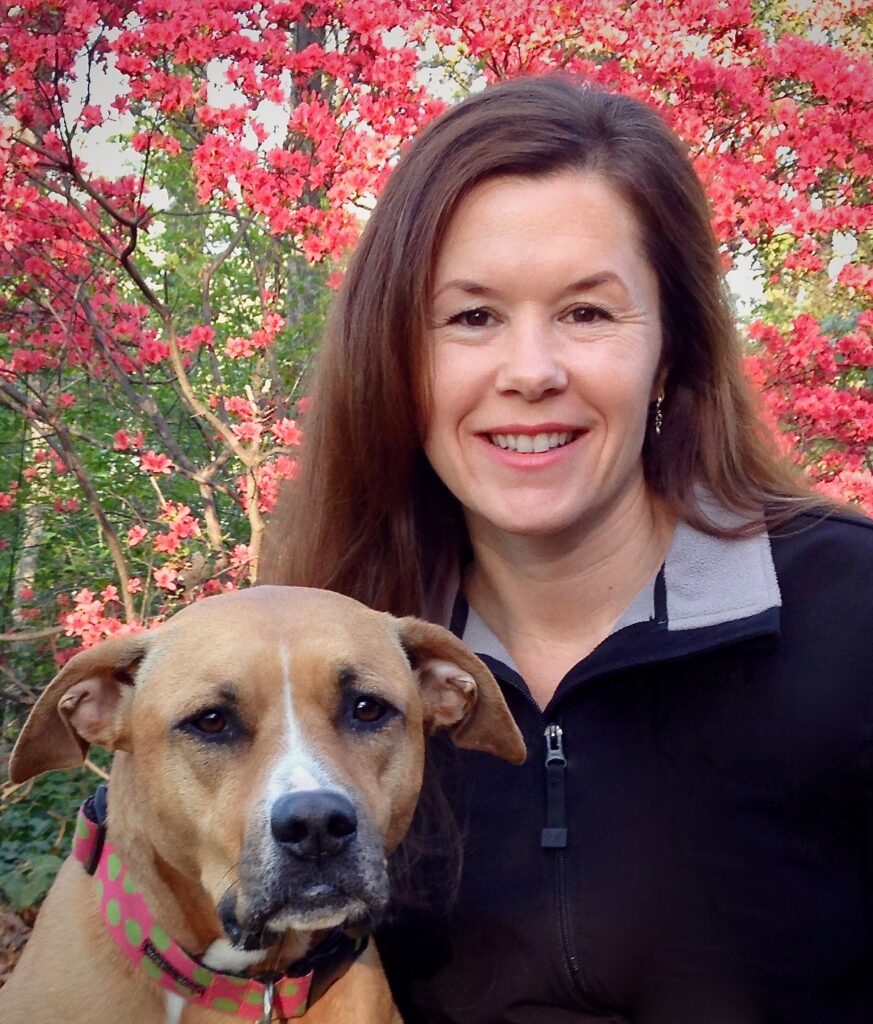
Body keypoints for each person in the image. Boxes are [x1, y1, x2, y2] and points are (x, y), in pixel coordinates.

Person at [260, 76, 873, 1023]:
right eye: (472, 317)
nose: (531, 372)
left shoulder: (851, 614)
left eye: (587, 312)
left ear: (671, 348)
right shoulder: (339, 666)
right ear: (397, 356)